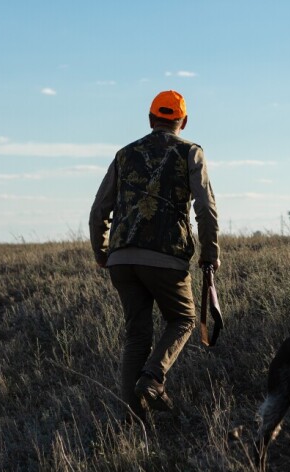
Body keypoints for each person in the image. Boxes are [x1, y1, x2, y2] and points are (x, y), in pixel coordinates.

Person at [89, 90, 220, 423]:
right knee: (183, 319)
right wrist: (209, 254)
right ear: (184, 121)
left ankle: (135, 420)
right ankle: (152, 378)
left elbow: (98, 210)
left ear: (150, 120)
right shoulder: (190, 152)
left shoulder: (124, 154)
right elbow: (205, 208)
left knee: (137, 334)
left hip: (121, 259)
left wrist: (102, 252)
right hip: (167, 256)